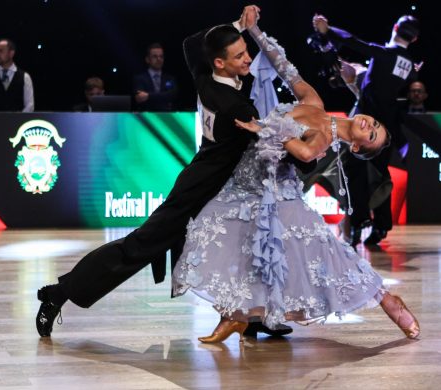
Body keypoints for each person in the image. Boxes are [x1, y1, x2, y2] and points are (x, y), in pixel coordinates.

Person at [35, 6, 299, 339]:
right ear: (220, 63)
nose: (248, 58)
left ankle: (250, 317)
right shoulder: (236, 106)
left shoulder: (206, 78)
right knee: (137, 248)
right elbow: (274, 146)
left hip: (217, 188)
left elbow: (191, 43)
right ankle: (58, 293)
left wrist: (238, 26)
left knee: (248, 243)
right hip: (200, 193)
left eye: (246, 52)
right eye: (239, 55)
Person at [172, 18, 419, 343]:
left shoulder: (325, 136)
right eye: (373, 122)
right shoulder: (314, 103)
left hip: (274, 191)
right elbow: (286, 68)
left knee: (327, 256)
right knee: (239, 246)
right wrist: (256, 31)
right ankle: (235, 316)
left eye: (371, 134)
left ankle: (388, 301)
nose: (368, 124)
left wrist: (265, 128)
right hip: (248, 178)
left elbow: (304, 153)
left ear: (357, 146)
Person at [313, 14, 421, 247]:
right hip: (387, 128)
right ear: (414, 39)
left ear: (394, 28)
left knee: (354, 172)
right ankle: (380, 225)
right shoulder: (408, 63)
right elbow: (404, 76)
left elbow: (353, 41)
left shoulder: (386, 54)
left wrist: (327, 29)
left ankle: (359, 220)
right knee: (380, 174)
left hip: (366, 125)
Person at [0, 38, 34, 112]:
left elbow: (29, 105)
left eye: (1, 51)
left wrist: (19, 120)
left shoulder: (25, 77)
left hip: (18, 122)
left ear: (11, 53)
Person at [133, 43, 178, 111]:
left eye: (161, 56)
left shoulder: (169, 78)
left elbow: (172, 95)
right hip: (146, 116)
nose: (159, 59)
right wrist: (163, 96)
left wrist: (148, 96)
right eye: (155, 56)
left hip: (167, 116)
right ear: (147, 59)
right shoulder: (139, 79)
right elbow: (140, 98)